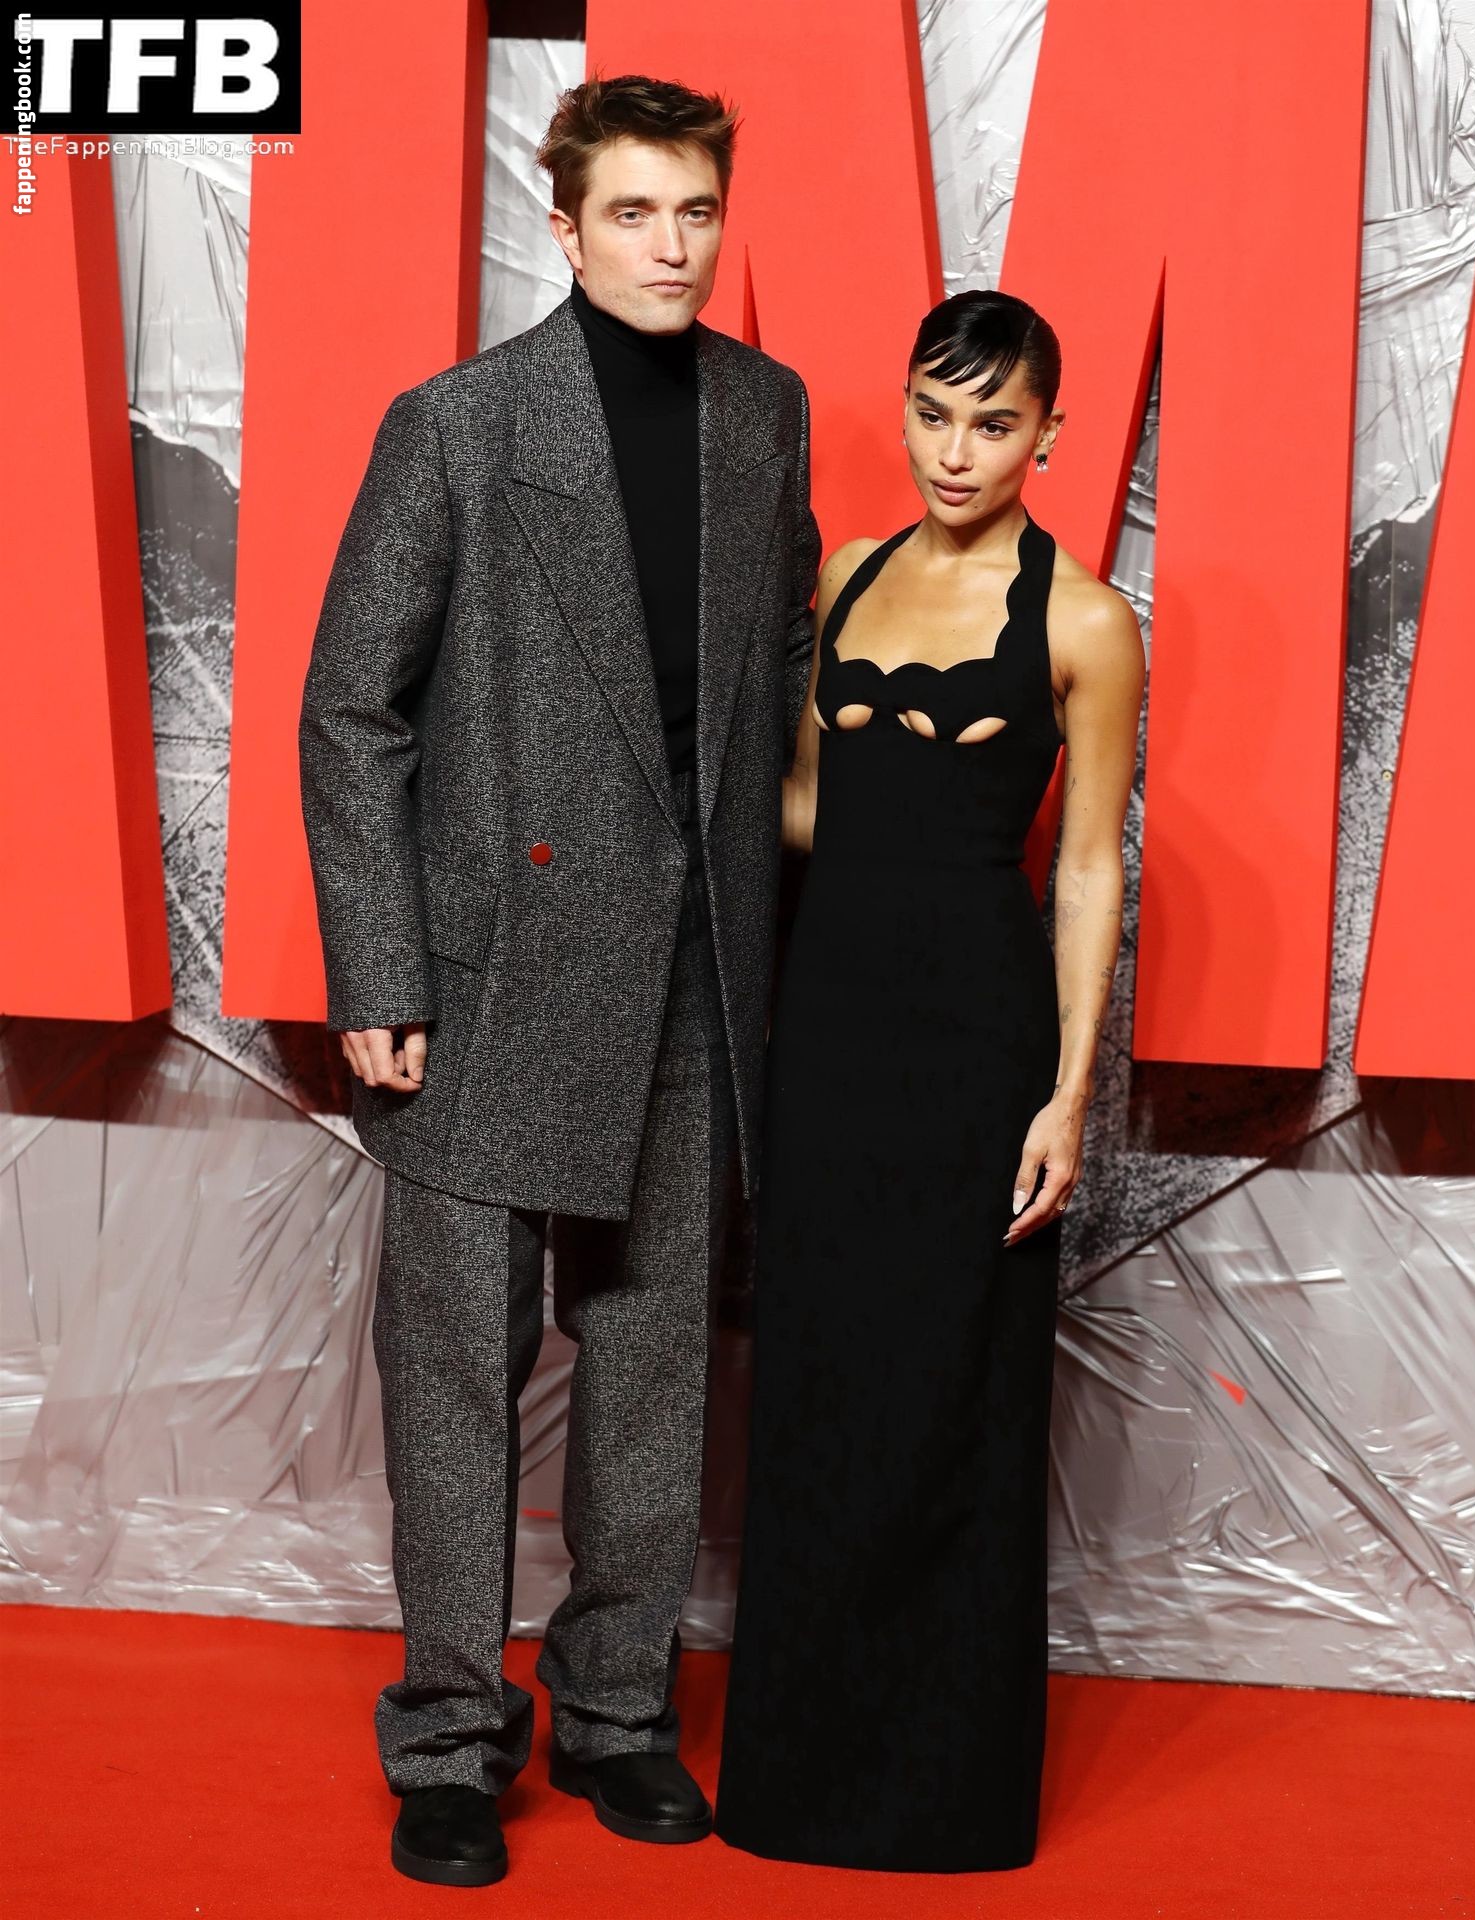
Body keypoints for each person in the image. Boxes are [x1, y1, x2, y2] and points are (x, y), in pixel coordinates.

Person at [297, 74, 820, 1888]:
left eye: (696, 212)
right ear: (567, 226)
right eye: (633, 213)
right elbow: (350, 709)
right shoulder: (458, 423)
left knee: (654, 1356)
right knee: (456, 1366)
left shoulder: (765, 412)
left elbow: (778, 677)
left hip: (693, 972)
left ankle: (612, 1713)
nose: (670, 247)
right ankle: (450, 1741)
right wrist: (380, 963)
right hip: (487, 971)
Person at [713, 290, 1145, 1872]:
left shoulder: (1085, 622)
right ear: (902, 410)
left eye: (993, 422)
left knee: (953, 1391)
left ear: (1048, 435)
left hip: (977, 1043)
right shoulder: (847, 572)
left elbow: (1085, 867)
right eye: (931, 413)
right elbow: (812, 807)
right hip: (828, 1030)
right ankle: (797, 1778)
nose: (955, 452)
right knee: (818, 1382)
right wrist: (670, 784)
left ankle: (942, 1795)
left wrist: (1067, 1096)